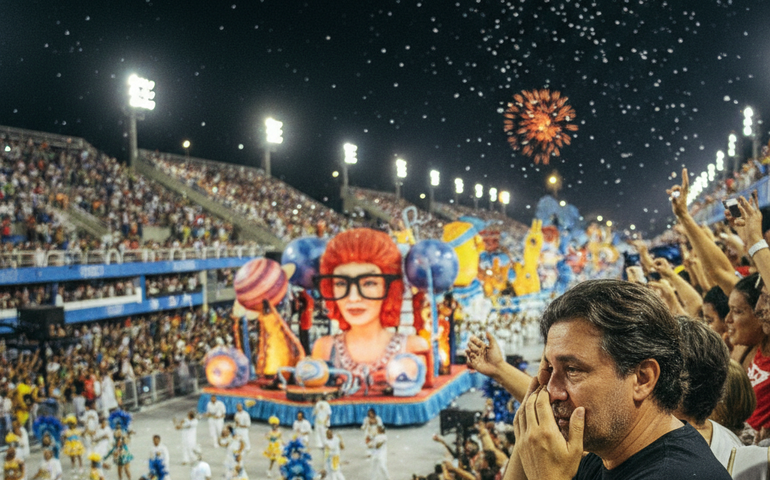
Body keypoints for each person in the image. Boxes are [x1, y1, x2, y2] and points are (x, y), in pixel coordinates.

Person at [505, 279, 730, 480]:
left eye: (573, 370)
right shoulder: (610, 454)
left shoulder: (676, 475)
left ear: (643, 379)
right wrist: (529, 431)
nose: (552, 391)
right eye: (550, 367)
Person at [311, 228, 430, 391]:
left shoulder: (412, 347)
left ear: (390, 289)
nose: (353, 298)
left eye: (369, 283)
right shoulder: (324, 348)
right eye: (341, 284)